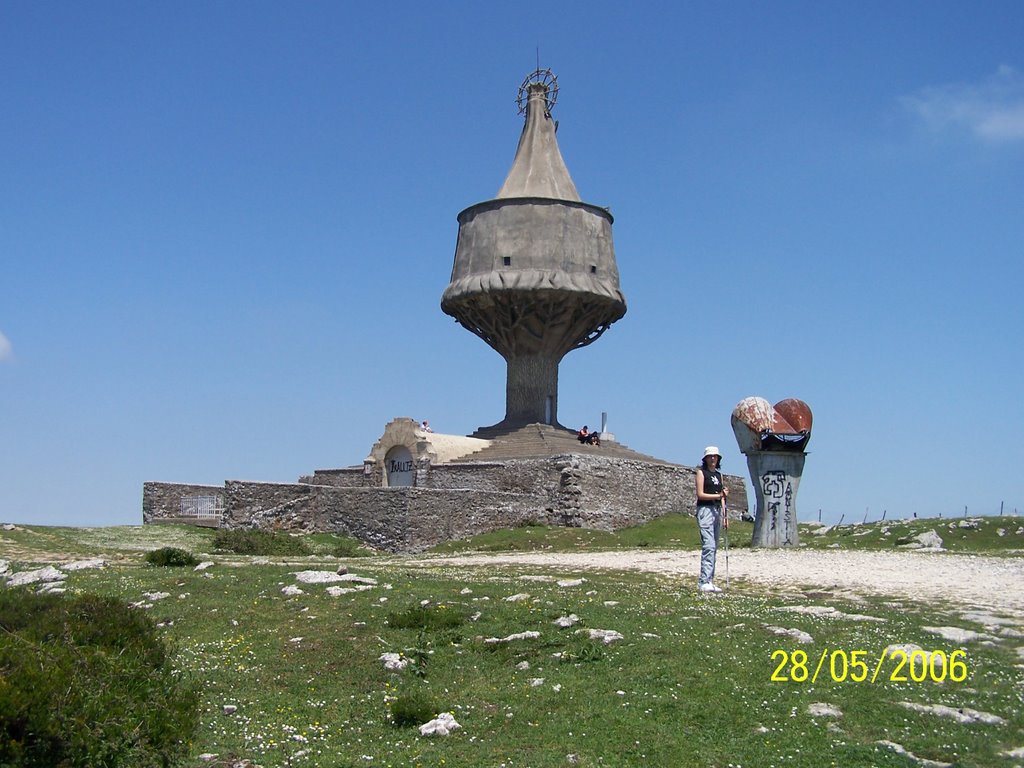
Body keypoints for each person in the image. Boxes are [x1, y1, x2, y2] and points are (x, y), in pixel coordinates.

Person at [695, 446, 728, 593]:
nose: (713, 459)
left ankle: (710, 580)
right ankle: (704, 580)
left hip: (717, 511)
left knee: (714, 547)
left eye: (715, 456)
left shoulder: (719, 475)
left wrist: (725, 516)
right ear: (706, 458)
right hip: (705, 510)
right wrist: (718, 496)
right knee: (708, 546)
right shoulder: (701, 473)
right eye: (710, 456)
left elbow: (722, 497)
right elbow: (700, 494)